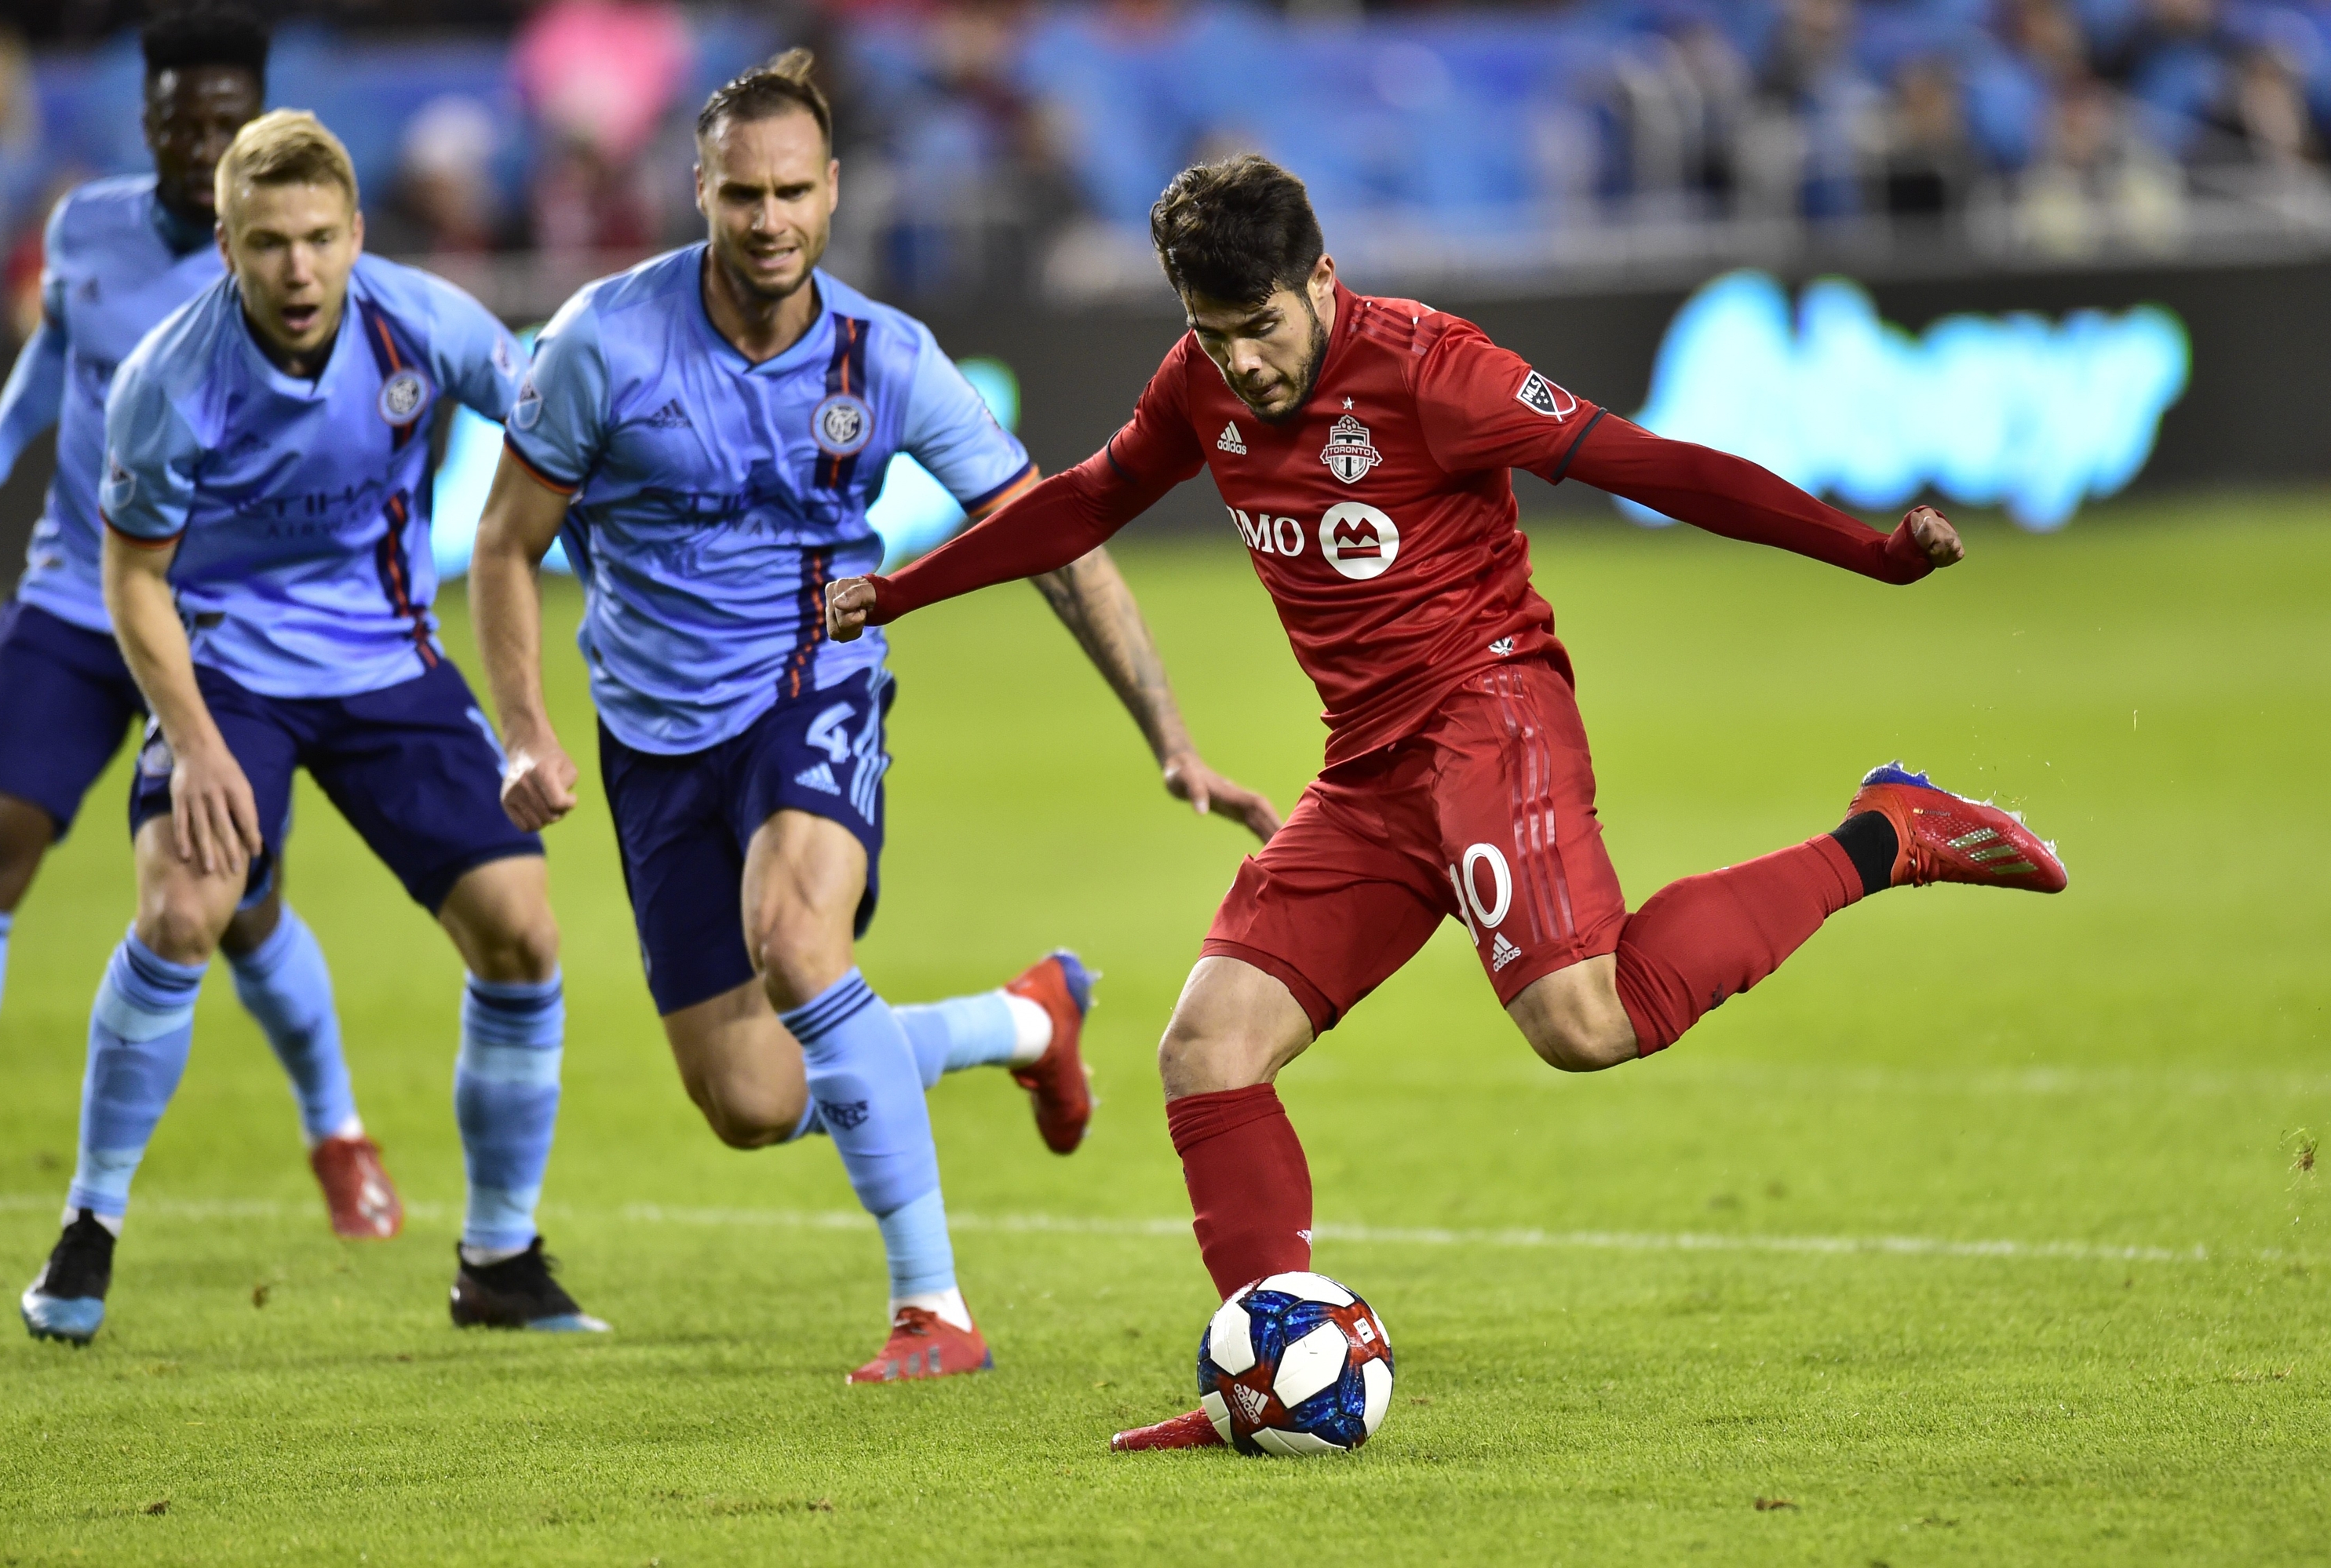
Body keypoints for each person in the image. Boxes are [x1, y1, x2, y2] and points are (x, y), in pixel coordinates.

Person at [822, 154, 2069, 1446]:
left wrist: (1864, 548)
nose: (1242, 363)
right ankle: (1269, 1371)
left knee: (1587, 1022)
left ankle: (1887, 833)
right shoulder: (1200, 386)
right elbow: (1084, 498)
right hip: (1368, 766)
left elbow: (1650, 464)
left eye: (1261, 328)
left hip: (1491, 715)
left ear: (1321, 279)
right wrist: (899, 591)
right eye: (1212, 333)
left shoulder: (1431, 370)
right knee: (1207, 1048)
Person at [471, 52, 1274, 1383]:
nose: (770, 220)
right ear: (701, 190)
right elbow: (505, 545)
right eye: (743, 195)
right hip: (652, 734)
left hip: (812, 684)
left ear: (834, 191)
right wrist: (523, 726)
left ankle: (935, 1309)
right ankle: (1024, 1022)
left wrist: (1169, 733)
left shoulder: (884, 357)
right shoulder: (600, 342)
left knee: (795, 938)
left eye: (793, 191)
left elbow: (1055, 539)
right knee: (751, 1100)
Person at [17, 111, 604, 1345]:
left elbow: (550, 418)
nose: (299, 269)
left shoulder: (422, 322)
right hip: (228, 670)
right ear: (226, 245)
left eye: (320, 239)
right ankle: (89, 1224)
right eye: (270, 242)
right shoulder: (168, 379)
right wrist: (200, 744)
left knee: (522, 932)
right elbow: (133, 583)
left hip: (387, 661)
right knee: (185, 905)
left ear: (356, 235)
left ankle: (500, 1258)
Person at [0, 9, 399, 1242]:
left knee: (238, 903)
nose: (196, 136)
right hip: (71, 589)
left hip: (215, 617)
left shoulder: (289, 252)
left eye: (224, 121)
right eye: (179, 119)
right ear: (149, 118)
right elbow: (57, 353)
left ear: (257, 127)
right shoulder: (83, 225)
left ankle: (337, 1129)